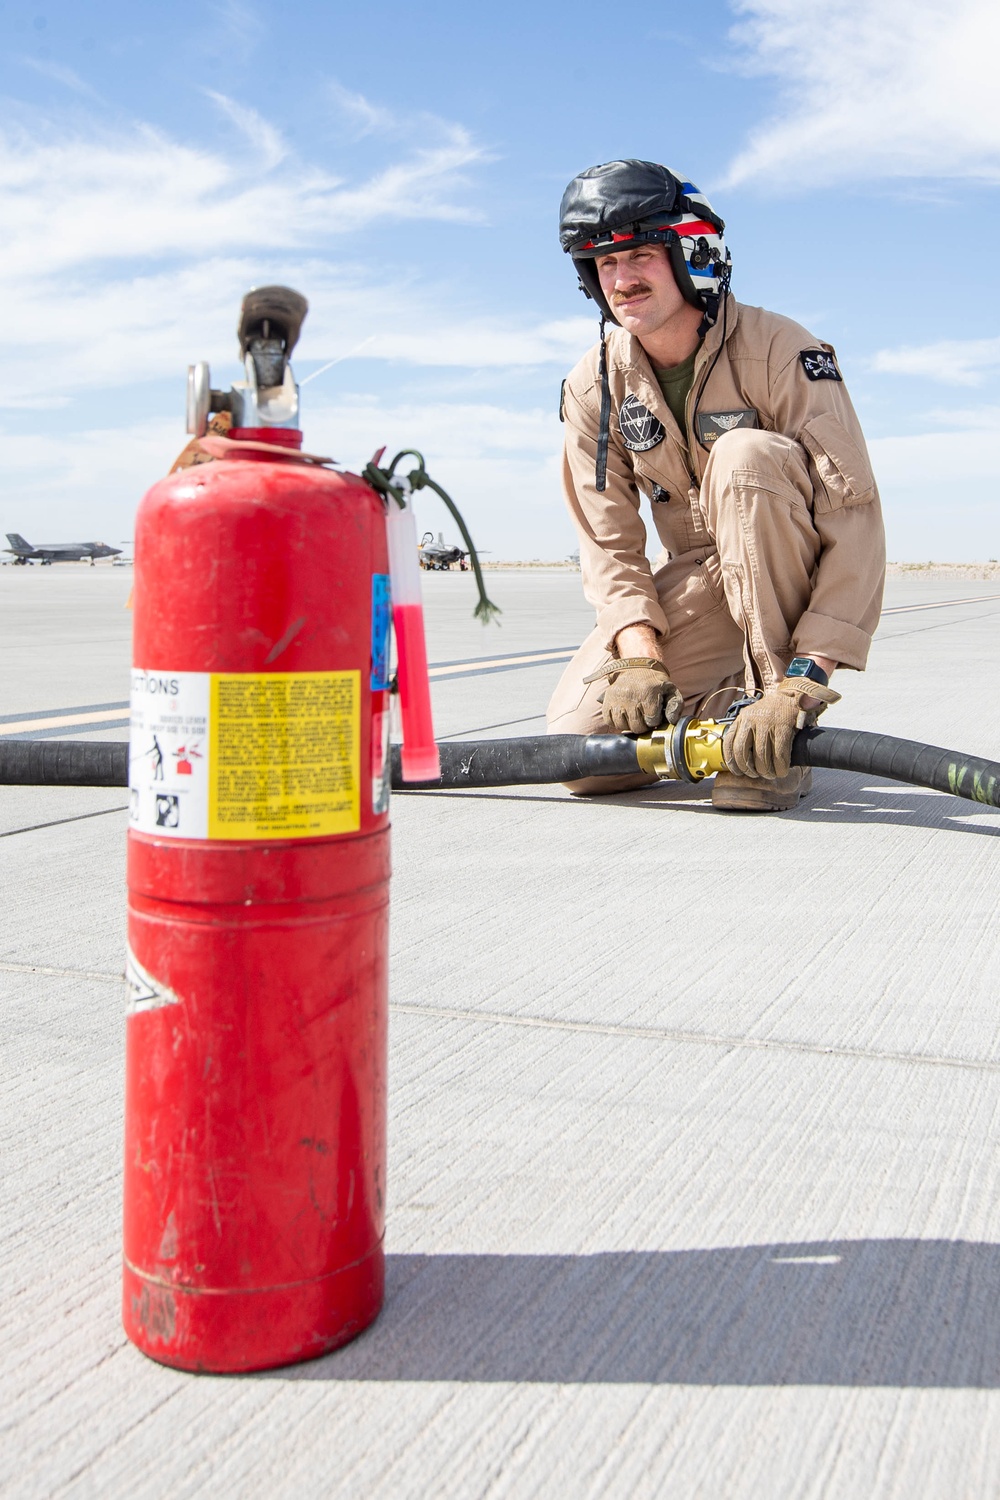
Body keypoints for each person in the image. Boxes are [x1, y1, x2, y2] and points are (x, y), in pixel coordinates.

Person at [548, 160, 885, 810]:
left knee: (743, 456)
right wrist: (640, 656)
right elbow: (609, 545)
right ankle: (737, 723)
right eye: (604, 263)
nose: (622, 279)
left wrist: (806, 678)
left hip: (790, 576)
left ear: (690, 251)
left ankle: (778, 708)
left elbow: (853, 518)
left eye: (641, 255)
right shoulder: (594, 386)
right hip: (702, 580)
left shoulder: (782, 350)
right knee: (581, 749)